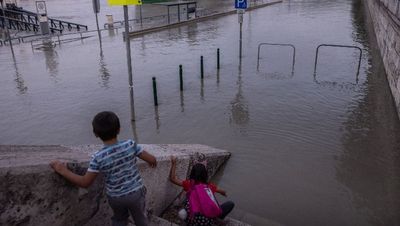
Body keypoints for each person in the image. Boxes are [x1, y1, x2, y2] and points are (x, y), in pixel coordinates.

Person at [50, 111, 157, 226]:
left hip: (115, 197)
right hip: (136, 194)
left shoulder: (98, 157)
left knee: (119, 219)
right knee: (141, 219)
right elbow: (151, 159)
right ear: (119, 129)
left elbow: (85, 182)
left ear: (96, 134)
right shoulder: (130, 145)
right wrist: (153, 161)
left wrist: (63, 170)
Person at [169, 156, 234, 226]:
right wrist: (223, 193)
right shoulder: (209, 186)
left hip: (193, 218)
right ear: (205, 175)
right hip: (208, 219)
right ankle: (217, 220)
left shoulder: (188, 184)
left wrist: (174, 163)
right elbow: (222, 191)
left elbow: (173, 179)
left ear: (192, 173)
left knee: (184, 208)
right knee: (230, 204)